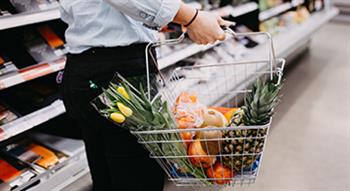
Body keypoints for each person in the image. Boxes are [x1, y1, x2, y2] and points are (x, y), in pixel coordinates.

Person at [59, 0, 228, 190]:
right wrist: (192, 17)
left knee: (107, 176)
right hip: (117, 72)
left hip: (92, 66)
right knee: (139, 179)